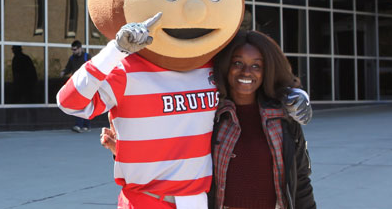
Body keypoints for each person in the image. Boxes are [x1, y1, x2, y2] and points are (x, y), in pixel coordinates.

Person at [101, 30, 316, 209]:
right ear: (225, 66)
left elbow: (300, 179)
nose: (246, 72)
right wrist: (125, 152)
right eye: (237, 63)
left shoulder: (283, 117)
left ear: (267, 70)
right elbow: (172, 156)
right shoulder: (211, 114)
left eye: (256, 66)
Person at [60, 40, 91, 133]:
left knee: (82, 105)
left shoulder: (86, 57)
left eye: (75, 49)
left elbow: (93, 68)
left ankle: (80, 125)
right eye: (72, 49)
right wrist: (63, 72)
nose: (73, 51)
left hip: (86, 84)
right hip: (76, 85)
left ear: (80, 48)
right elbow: (68, 68)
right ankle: (85, 125)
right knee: (81, 105)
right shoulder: (72, 58)